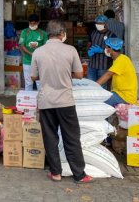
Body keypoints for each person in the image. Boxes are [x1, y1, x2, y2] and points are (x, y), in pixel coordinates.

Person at [31, 20, 92, 184]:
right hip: (66, 102)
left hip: (46, 102)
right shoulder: (70, 50)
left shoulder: (38, 52)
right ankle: (79, 174)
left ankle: (55, 172)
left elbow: (33, 77)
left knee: (50, 137)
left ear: (47, 34)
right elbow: (79, 74)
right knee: (71, 137)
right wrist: (66, 73)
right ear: (62, 33)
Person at [96, 38, 138, 107]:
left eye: (106, 47)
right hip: (120, 93)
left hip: (125, 96)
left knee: (100, 104)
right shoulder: (117, 59)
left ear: (111, 48)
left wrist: (94, 85)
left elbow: (108, 74)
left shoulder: (122, 59)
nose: (105, 49)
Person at [19, 14, 48, 91]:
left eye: (34, 23)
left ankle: (41, 101)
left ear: (38, 23)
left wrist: (38, 50)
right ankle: (29, 101)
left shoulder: (43, 33)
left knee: (40, 83)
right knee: (28, 83)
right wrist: (31, 53)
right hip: (27, 61)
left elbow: (46, 47)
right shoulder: (24, 32)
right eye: (30, 23)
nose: (32, 25)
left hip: (40, 61)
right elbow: (21, 45)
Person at [86, 15, 116, 88]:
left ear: (106, 24)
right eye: (97, 23)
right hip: (92, 65)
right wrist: (88, 51)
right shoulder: (93, 33)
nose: (98, 25)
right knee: (90, 85)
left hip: (104, 66)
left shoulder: (112, 35)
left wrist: (102, 51)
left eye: (101, 23)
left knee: (101, 87)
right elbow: (89, 44)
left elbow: (114, 52)